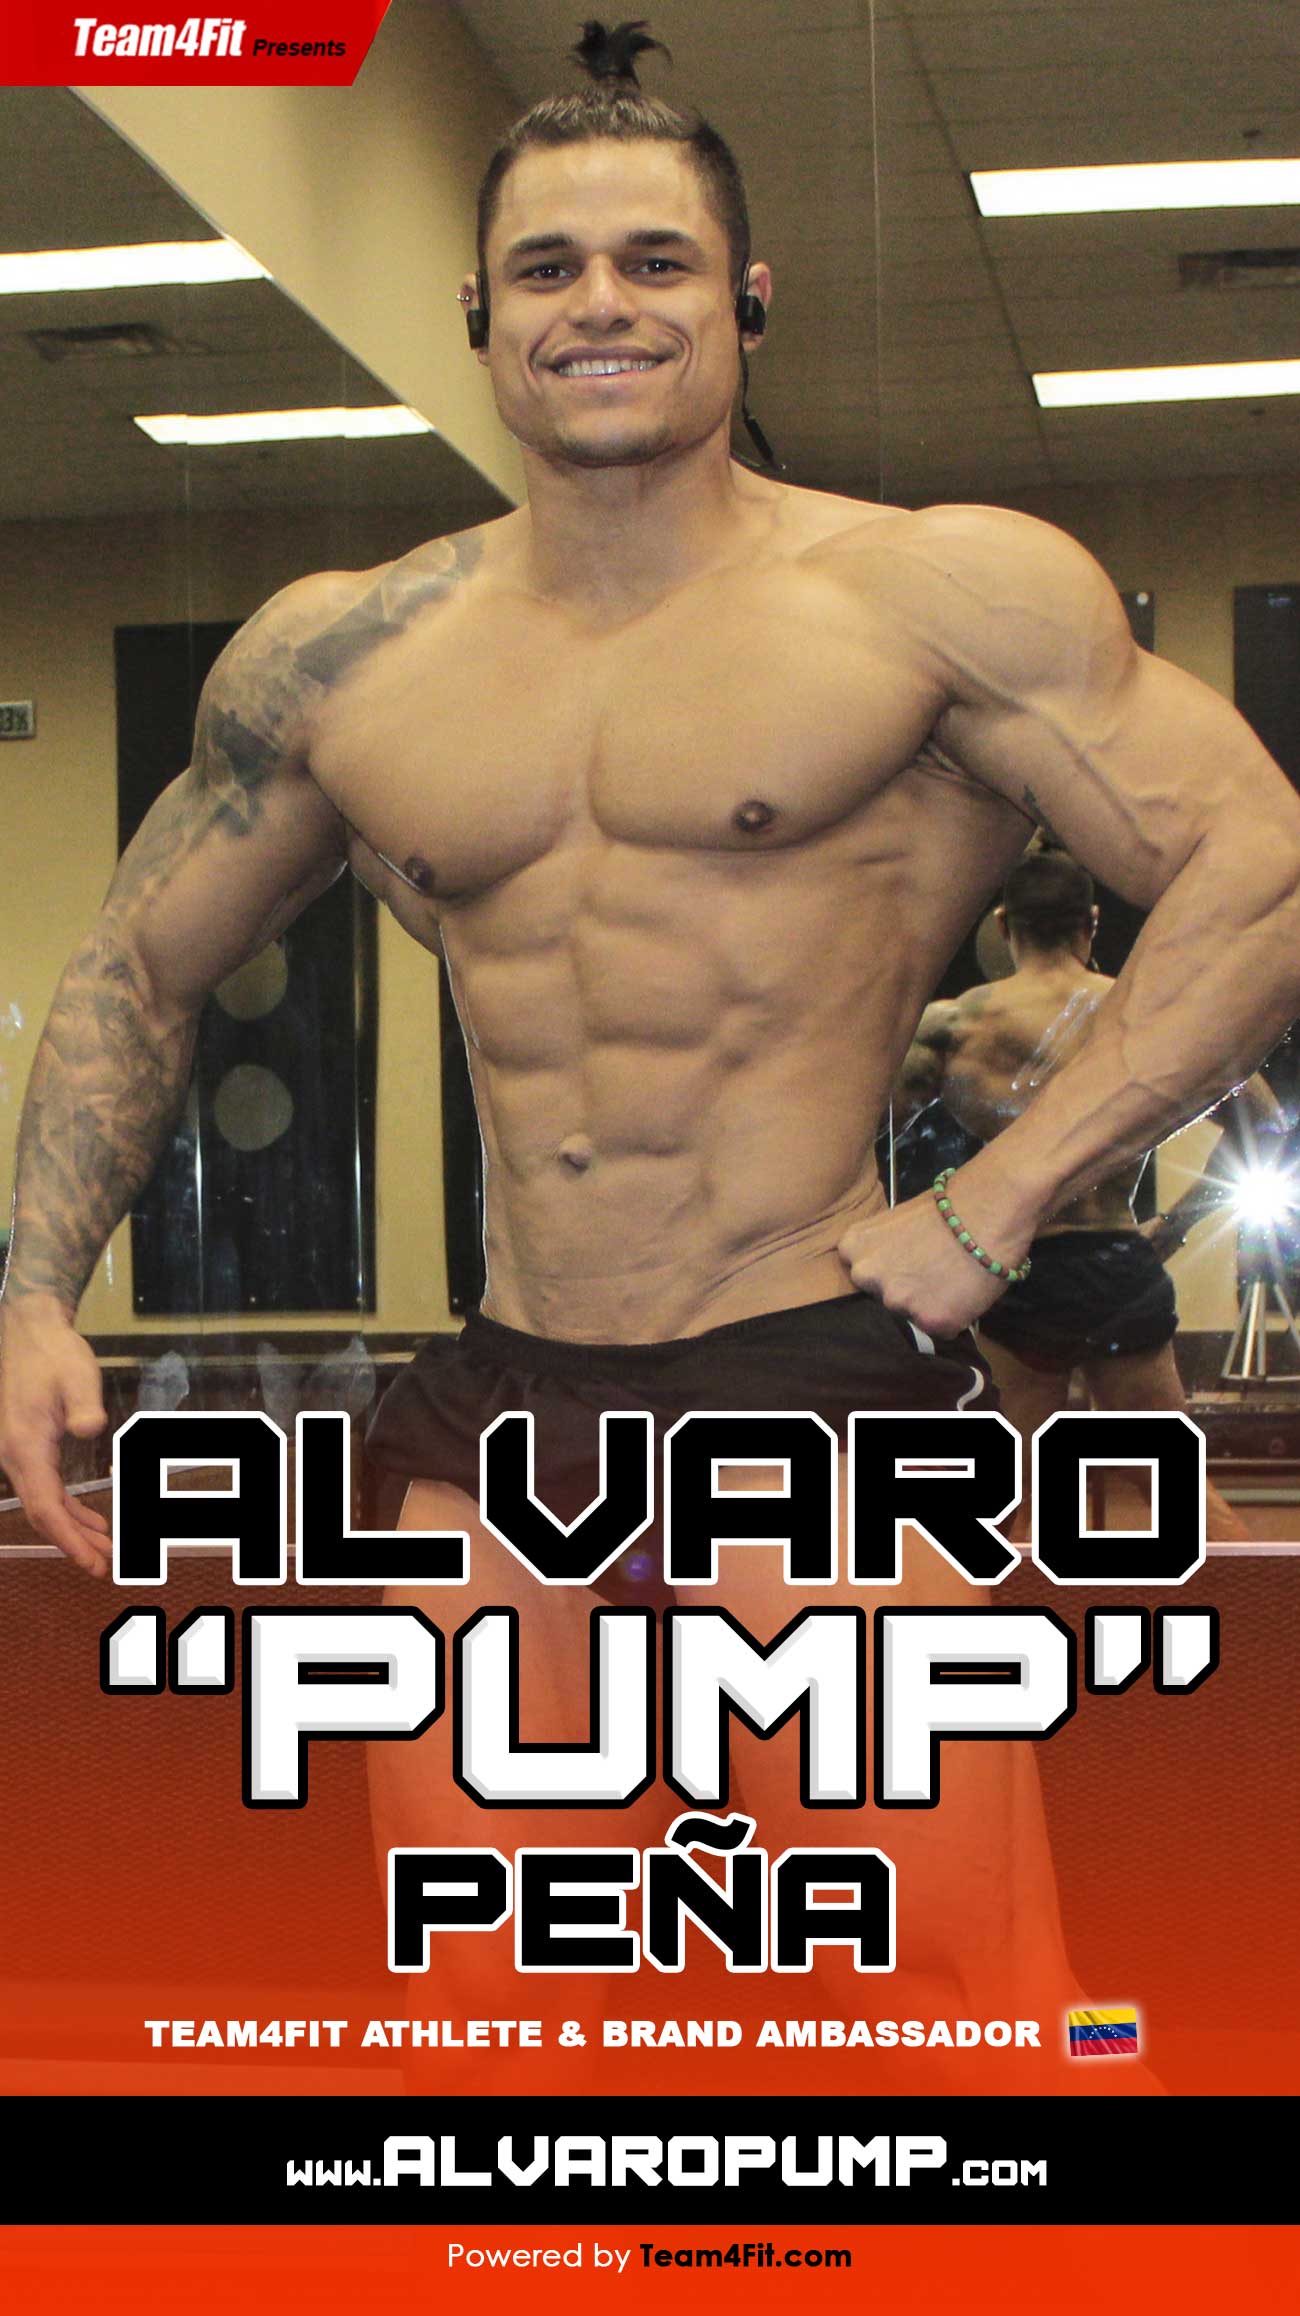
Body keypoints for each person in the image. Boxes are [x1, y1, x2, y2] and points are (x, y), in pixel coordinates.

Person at [3, 23, 1299, 2055]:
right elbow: (133, 969)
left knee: (961, 2006)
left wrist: (1000, 1198)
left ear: (745, 299)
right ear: (480, 315)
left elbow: (1259, 869)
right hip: (499, 1400)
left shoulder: (929, 597)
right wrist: (30, 1290)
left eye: (653, 261)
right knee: (482, 2012)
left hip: (808, 1379)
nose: (597, 302)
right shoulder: (342, 653)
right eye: (547, 267)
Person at [897, 847, 1285, 1540]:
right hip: (1115, 1262)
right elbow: (1265, 1122)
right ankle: (1267, 1605)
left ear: (1004, 925)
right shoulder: (1145, 1015)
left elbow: (875, 1145)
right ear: (1092, 923)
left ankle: (971, 1614)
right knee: (1174, 1486)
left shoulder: (953, 1027)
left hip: (1013, 1264)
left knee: (1005, 1491)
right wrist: (1176, 1224)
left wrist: (929, 1231)